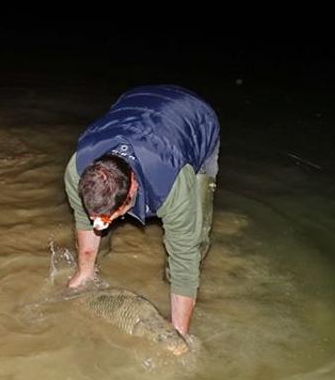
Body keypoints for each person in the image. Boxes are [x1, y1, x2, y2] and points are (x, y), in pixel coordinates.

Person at [63, 85, 220, 336]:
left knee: (193, 237)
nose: (98, 224)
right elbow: (84, 220)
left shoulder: (172, 184)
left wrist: (178, 333)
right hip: (134, 103)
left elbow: (184, 258)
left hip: (196, 119)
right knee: (95, 239)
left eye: (105, 219)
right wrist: (84, 273)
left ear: (131, 194)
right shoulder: (77, 169)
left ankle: (175, 294)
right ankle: (93, 267)